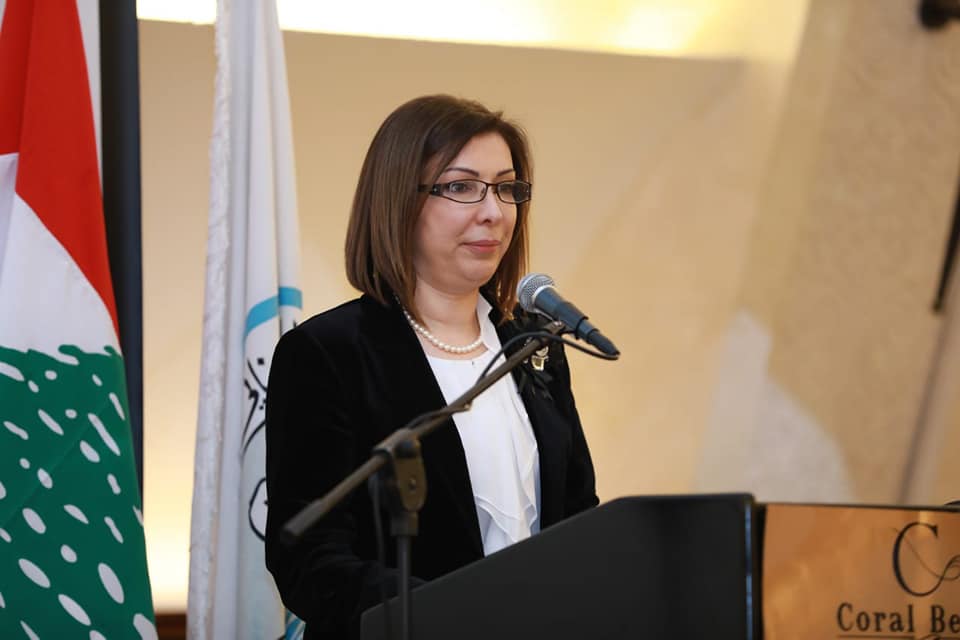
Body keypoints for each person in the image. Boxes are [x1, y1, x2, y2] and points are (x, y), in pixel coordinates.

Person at [264, 94, 598, 639]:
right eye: (462, 187)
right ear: (399, 201)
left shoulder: (533, 345)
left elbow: (578, 516)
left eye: (506, 188)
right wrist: (456, 616)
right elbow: (310, 559)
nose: (493, 212)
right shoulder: (329, 353)